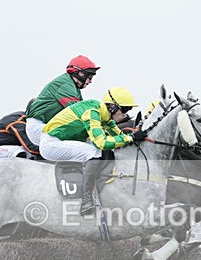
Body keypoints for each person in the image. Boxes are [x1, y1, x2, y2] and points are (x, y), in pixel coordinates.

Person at [40, 87, 145, 215]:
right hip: (51, 144)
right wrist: (130, 138)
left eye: (128, 110)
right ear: (112, 107)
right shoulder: (92, 112)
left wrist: (136, 137)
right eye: (124, 109)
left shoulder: (105, 117)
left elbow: (120, 136)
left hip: (61, 142)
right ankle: (86, 200)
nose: (125, 114)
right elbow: (101, 142)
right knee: (95, 151)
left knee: (101, 151)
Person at [24, 55, 100, 148]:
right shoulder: (65, 85)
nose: (90, 81)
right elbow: (80, 113)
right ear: (81, 73)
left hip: (45, 126)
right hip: (39, 127)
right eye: (90, 77)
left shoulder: (72, 86)